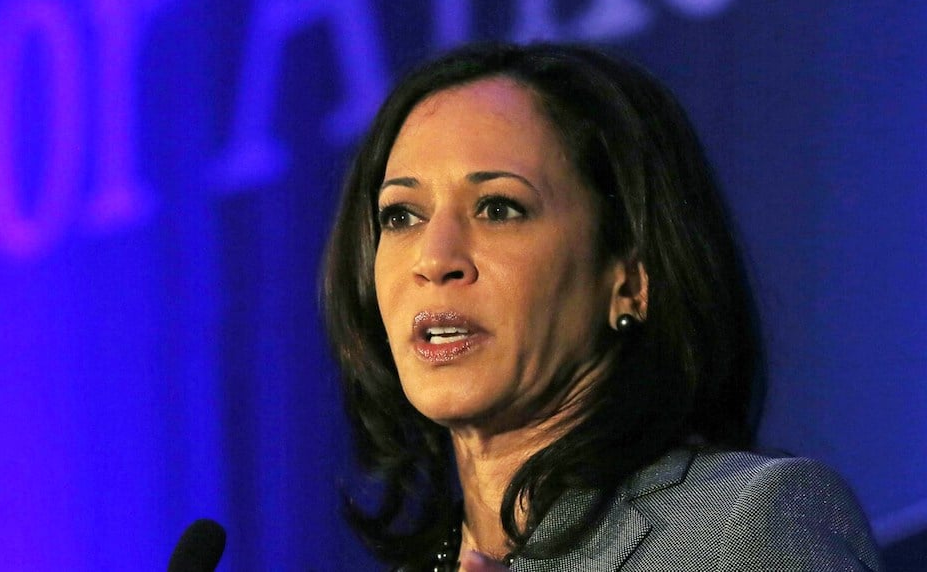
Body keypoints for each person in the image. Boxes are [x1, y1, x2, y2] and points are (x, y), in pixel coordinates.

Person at [319, 43, 882, 571]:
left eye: (498, 208)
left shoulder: (749, 526)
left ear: (630, 280)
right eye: (401, 216)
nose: (434, 258)